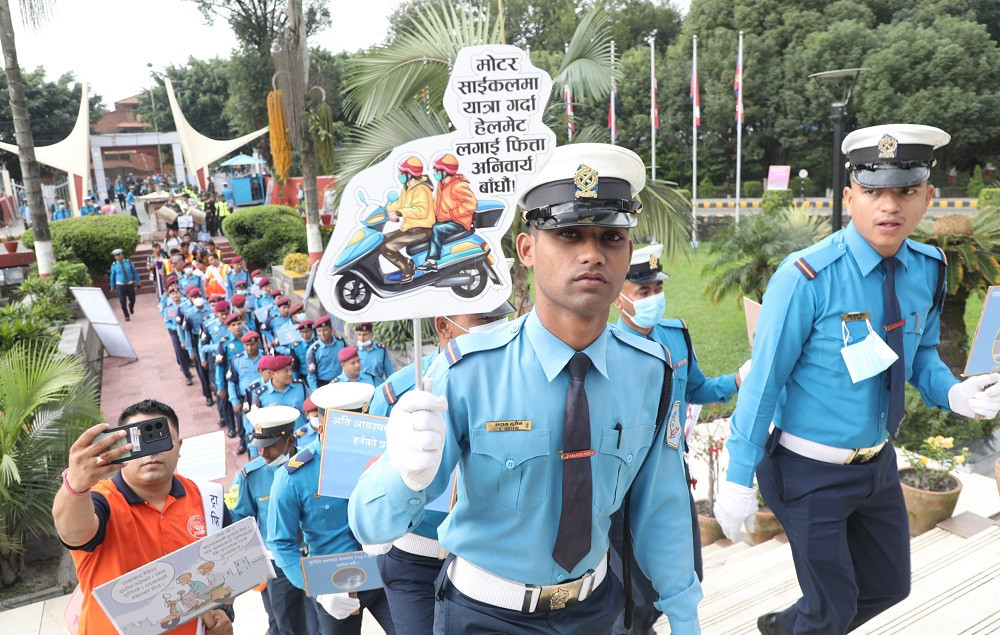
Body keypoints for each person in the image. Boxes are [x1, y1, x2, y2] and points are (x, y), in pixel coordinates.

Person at [349, 143, 701, 633]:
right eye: (569, 234)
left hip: (596, 610)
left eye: (611, 238)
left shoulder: (649, 371)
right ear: (528, 249)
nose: (592, 254)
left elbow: (660, 506)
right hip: (485, 616)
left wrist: (685, 616)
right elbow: (373, 526)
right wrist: (404, 476)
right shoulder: (468, 371)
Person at [714, 124, 1000, 635]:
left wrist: (953, 391)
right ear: (850, 197)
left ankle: (787, 628)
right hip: (808, 472)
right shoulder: (806, 278)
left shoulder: (928, 268)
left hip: (877, 466)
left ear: (927, 196)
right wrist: (737, 477)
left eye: (906, 191)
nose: (889, 206)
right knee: (832, 610)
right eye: (873, 191)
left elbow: (922, 355)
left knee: (891, 586)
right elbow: (763, 383)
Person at [610, 243, 750, 634]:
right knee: (632, 582)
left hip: (671, 475)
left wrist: (737, 380)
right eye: (643, 292)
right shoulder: (605, 348)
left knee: (687, 571)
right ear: (618, 298)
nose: (654, 298)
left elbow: (696, 389)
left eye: (657, 289)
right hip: (626, 486)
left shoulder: (675, 335)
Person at [366, 301, 514, 635]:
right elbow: (369, 473)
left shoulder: (516, 386)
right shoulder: (397, 393)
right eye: (483, 319)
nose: (496, 327)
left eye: (502, 318)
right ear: (443, 327)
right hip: (417, 555)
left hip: (487, 557)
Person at [52, 399, 234, 635]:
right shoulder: (99, 501)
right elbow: (73, 532)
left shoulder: (210, 499)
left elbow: (228, 571)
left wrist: (223, 613)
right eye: (140, 440)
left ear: (179, 446)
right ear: (122, 447)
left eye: (160, 437)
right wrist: (75, 485)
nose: (153, 450)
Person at [268, 383, 397, 635]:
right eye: (349, 428)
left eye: (363, 425)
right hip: (336, 583)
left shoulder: (384, 455)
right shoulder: (293, 478)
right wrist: (318, 589)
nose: (359, 437)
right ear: (324, 426)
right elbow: (281, 544)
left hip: (386, 570)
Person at [229, 405, 319, 634]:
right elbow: (243, 523)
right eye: (258, 446)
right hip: (278, 564)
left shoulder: (314, 466)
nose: (262, 453)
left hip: (314, 556)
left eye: (269, 446)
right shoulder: (251, 475)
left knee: (321, 623)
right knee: (285, 625)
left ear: (289, 441)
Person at [417, 153, 477, 272]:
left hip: (459, 222)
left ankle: (432, 261)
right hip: (446, 221)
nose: (436, 174)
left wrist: (453, 213)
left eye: (438, 171)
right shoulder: (441, 185)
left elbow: (471, 204)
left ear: (446, 171)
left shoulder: (457, 186)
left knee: (437, 229)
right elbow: (437, 205)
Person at [380, 156, 435, 282]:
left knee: (387, 248)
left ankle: (408, 271)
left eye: (402, 173)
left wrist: (399, 213)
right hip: (410, 228)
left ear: (410, 174)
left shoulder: (421, 189)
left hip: (421, 230)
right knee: (380, 240)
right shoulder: (408, 188)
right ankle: (407, 263)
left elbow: (421, 211)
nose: (399, 175)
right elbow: (399, 203)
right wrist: (383, 210)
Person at [227, 331, 264, 456]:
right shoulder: (237, 360)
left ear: (258, 343)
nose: (250, 347)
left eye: (252, 344)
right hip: (245, 399)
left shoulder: (266, 357)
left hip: (262, 397)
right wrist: (234, 401)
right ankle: (244, 444)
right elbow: (231, 382)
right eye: (247, 345)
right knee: (244, 426)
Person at [252, 355, 308, 431]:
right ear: (272, 373)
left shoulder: (301, 386)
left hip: (302, 436)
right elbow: (256, 424)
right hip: (278, 440)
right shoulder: (261, 395)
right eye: (286, 371)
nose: (290, 373)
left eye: (291, 369)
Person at [181, 287, 216, 407]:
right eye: (195, 297)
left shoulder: (210, 308)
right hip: (197, 340)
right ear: (190, 299)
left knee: (213, 364)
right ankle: (208, 396)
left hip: (211, 339)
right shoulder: (189, 314)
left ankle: (215, 386)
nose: (198, 299)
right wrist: (190, 350)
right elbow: (187, 333)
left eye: (199, 296)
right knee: (202, 370)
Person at [215, 313, 247, 439]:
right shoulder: (224, 343)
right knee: (229, 405)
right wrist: (220, 386)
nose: (237, 327)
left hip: (245, 379)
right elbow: (220, 366)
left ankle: (242, 435)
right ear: (228, 327)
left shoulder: (249, 339)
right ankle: (231, 428)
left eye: (239, 324)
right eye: (233, 325)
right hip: (230, 380)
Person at [161, 286, 195, 385]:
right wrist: (173, 327)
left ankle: (192, 362)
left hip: (187, 330)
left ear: (180, 293)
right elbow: (167, 322)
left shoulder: (186, 303)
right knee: (179, 350)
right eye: (172, 294)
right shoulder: (169, 307)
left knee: (191, 348)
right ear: (170, 296)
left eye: (176, 293)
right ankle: (187, 374)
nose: (175, 296)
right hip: (175, 331)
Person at [306, 316, 347, 392]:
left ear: (331, 329)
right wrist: (316, 392)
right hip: (323, 385)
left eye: (325, 330)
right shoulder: (314, 350)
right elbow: (311, 375)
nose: (322, 333)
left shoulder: (341, 342)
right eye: (319, 331)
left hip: (341, 382)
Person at [109, 248, 141, 321]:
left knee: (133, 299)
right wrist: (112, 286)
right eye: (117, 256)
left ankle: (131, 306)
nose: (119, 257)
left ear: (122, 255)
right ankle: (126, 315)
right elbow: (112, 277)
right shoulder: (114, 265)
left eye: (120, 255)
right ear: (115, 257)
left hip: (129, 284)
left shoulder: (128, 262)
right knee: (123, 301)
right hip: (120, 285)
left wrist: (138, 281)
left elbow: (135, 272)